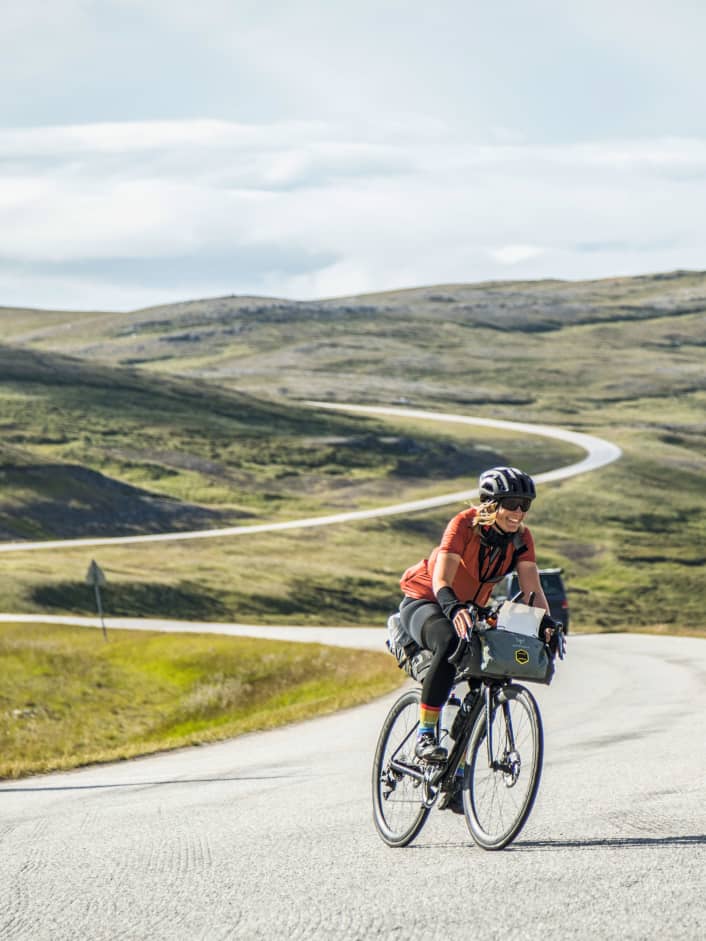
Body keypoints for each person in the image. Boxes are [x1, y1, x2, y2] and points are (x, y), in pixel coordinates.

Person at [398, 466, 557, 771]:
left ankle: (458, 767)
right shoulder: (463, 525)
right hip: (427, 601)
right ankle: (426, 735)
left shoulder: (522, 539)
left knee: (492, 675)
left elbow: (531, 590)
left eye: (525, 505)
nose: (519, 513)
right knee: (449, 641)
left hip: (470, 608)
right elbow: (441, 580)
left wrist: (545, 623)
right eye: (511, 504)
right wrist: (454, 608)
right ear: (491, 503)